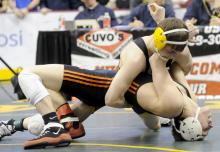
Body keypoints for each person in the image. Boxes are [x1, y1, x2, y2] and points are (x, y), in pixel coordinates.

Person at [0, 53, 212, 144]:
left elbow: (159, 60)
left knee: (27, 74)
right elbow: (180, 67)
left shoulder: (173, 103)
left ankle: (53, 125)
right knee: (154, 125)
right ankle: (14, 125)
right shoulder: (184, 100)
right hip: (114, 91)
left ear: (190, 126)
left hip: (106, 86)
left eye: (204, 126)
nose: (209, 122)